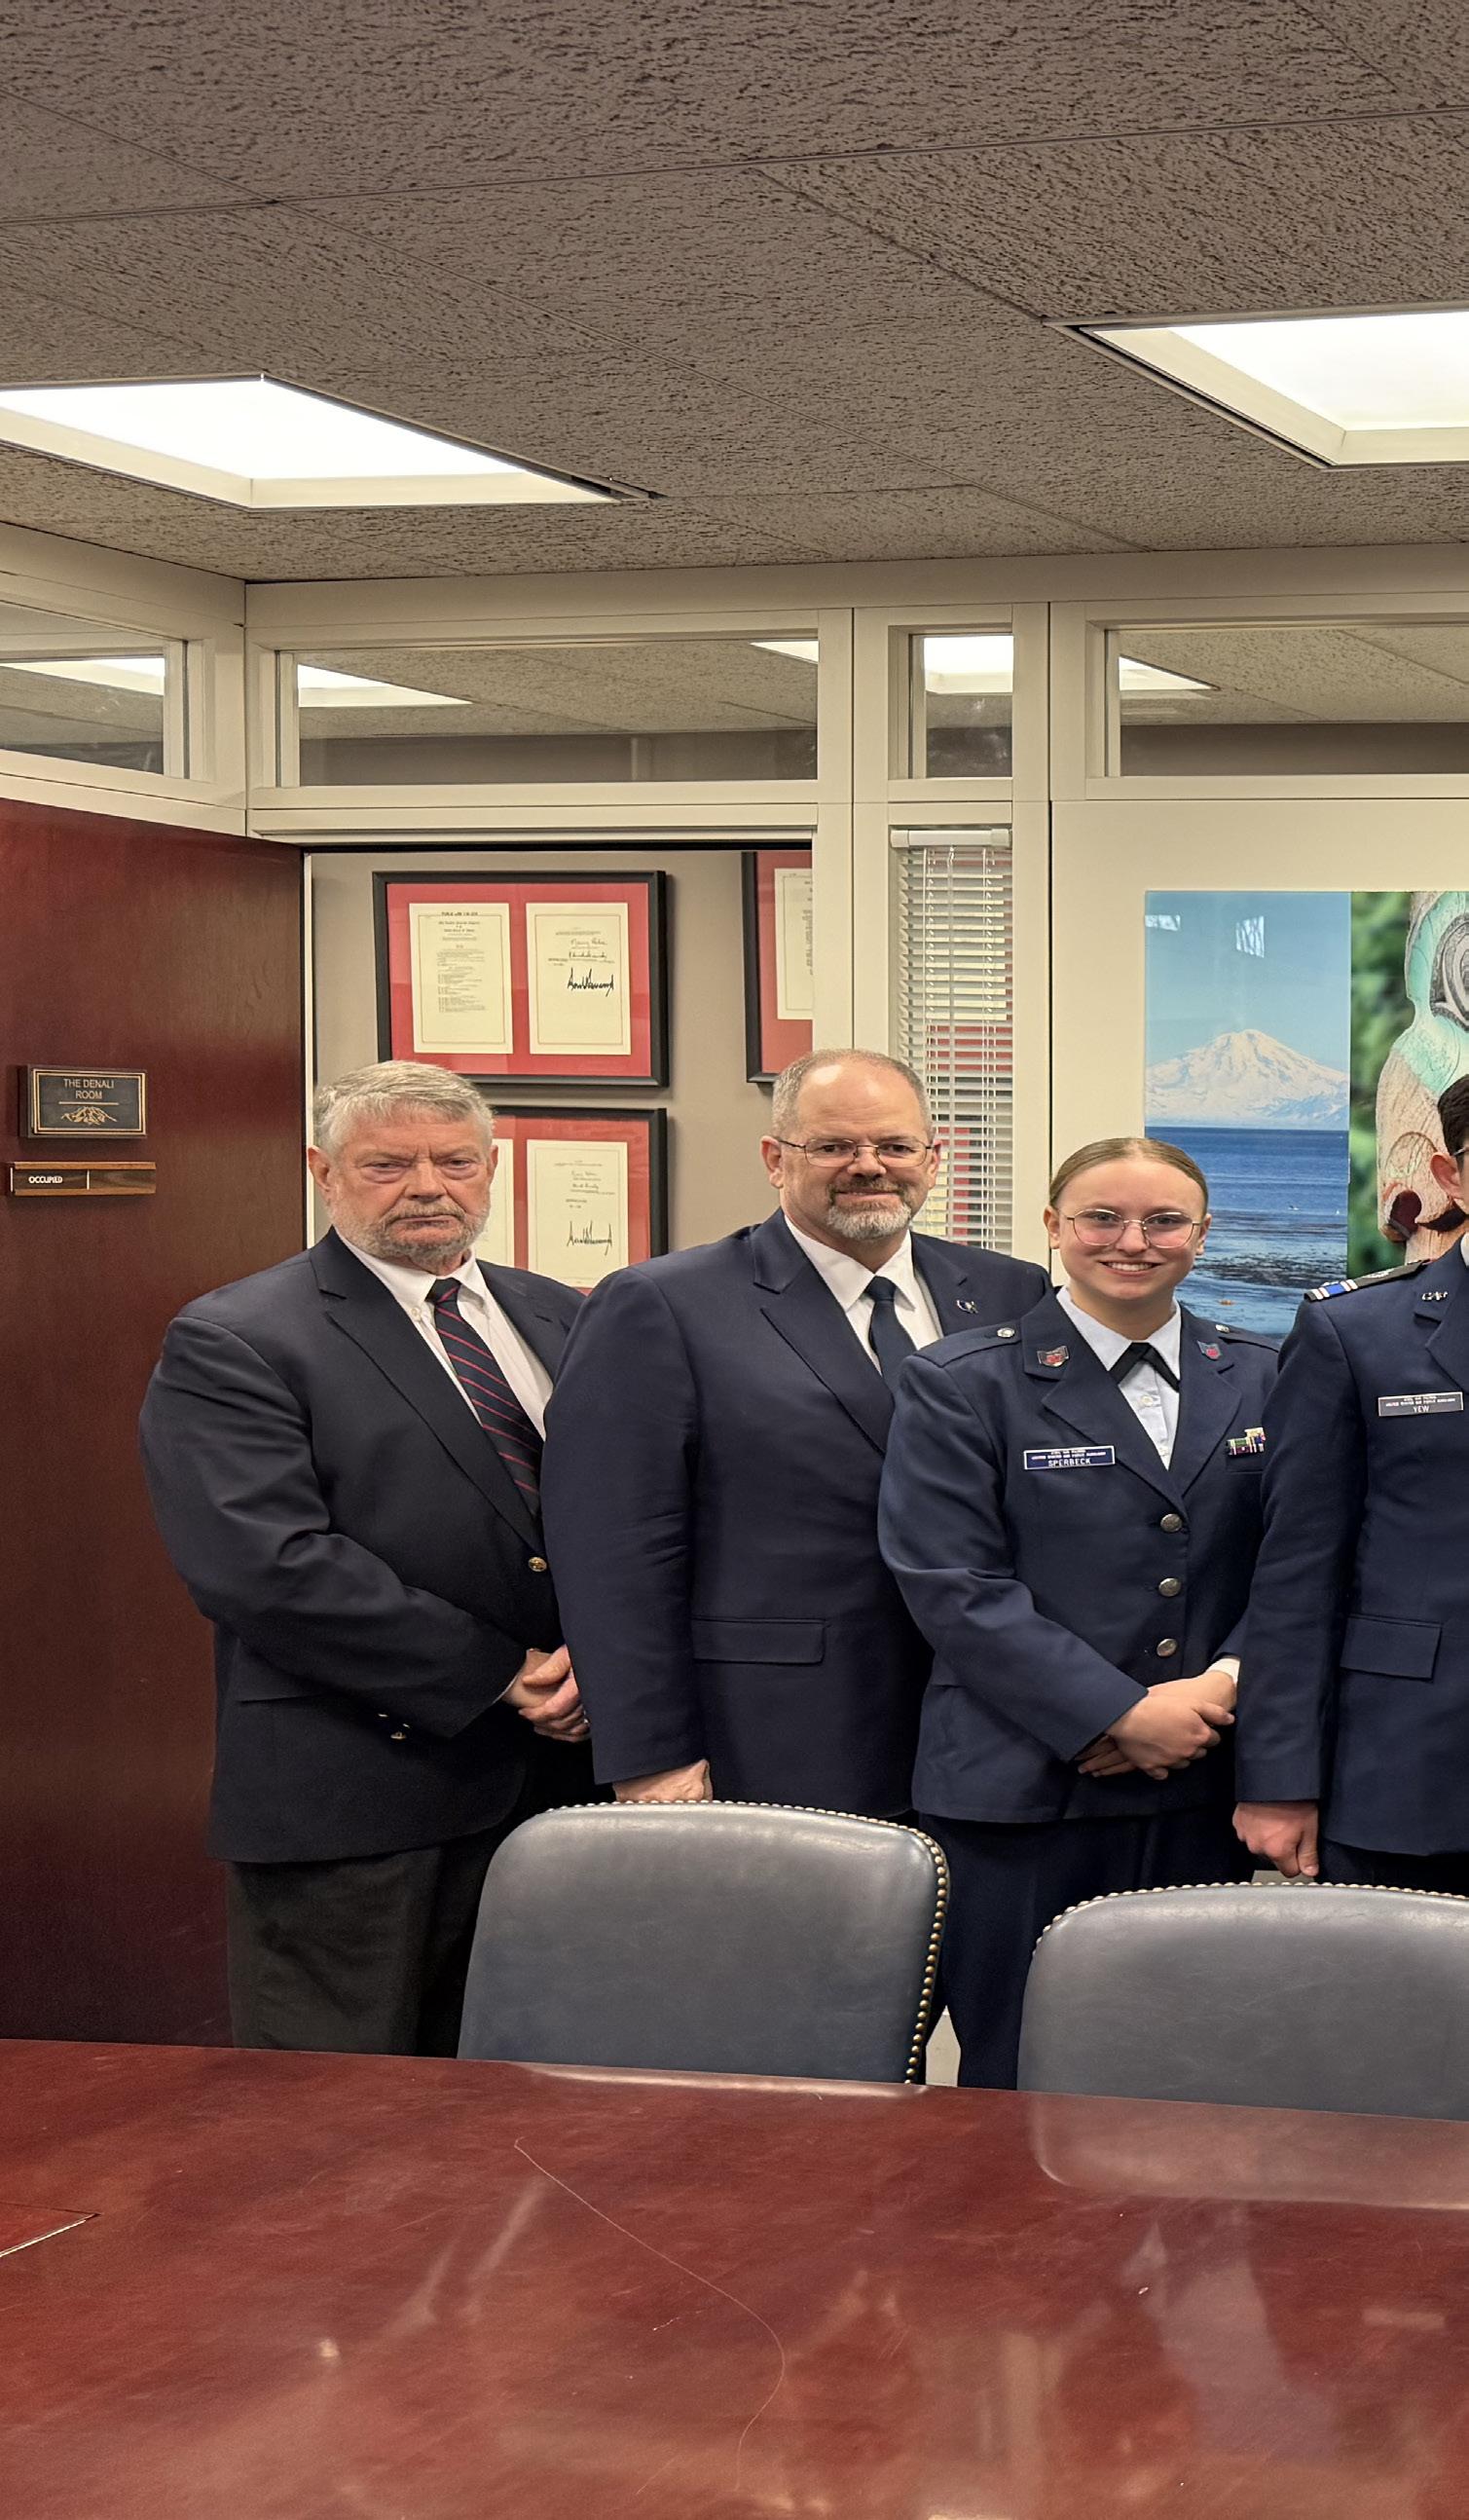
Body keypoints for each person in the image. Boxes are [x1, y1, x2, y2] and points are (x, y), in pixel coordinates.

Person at [139, 1059, 593, 2056]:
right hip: (358, 1792)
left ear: (491, 1168)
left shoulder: (558, 1312)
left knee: (547, 2096)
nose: (428, 1187)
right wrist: (504, 1673)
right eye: (388, 1165)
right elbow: (266, 1565)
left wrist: (608, 1661)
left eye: (455, 1162)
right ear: (323, 1171)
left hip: (564, 1787)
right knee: (338, 2113)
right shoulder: (238, 1336)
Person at [540, 1050, 1048, 1816]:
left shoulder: (1011, 1291)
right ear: (775, 1159)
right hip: (776, 1731)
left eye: (894, 1145)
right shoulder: (661, 1304)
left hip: (991, 1729)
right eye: (833, 1145)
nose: (868, 1166)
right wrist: (650, 1754)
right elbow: (611, 1550)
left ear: (932, 1159)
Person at [878, 1135, 1278, 2086]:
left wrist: (1217, 1688)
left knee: (1192, 2068)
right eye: (1102, 1217)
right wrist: (1117, 1712)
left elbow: (1297, 1564)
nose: (1132, 1241)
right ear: (1053, 1226)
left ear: (1203, 1235)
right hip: (1022, 1791)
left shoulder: (1264, 1372)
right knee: (1020, 2069)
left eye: (1164, 1220)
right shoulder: (961, 1380)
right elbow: (953, 1584)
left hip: (1202, 1784)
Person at [1233, 1074, 1469, 1893]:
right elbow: (1297, 1569)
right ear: (1450, 1176)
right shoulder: (1354, 1332)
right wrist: (1277, 1777)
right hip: (1414, 1766)